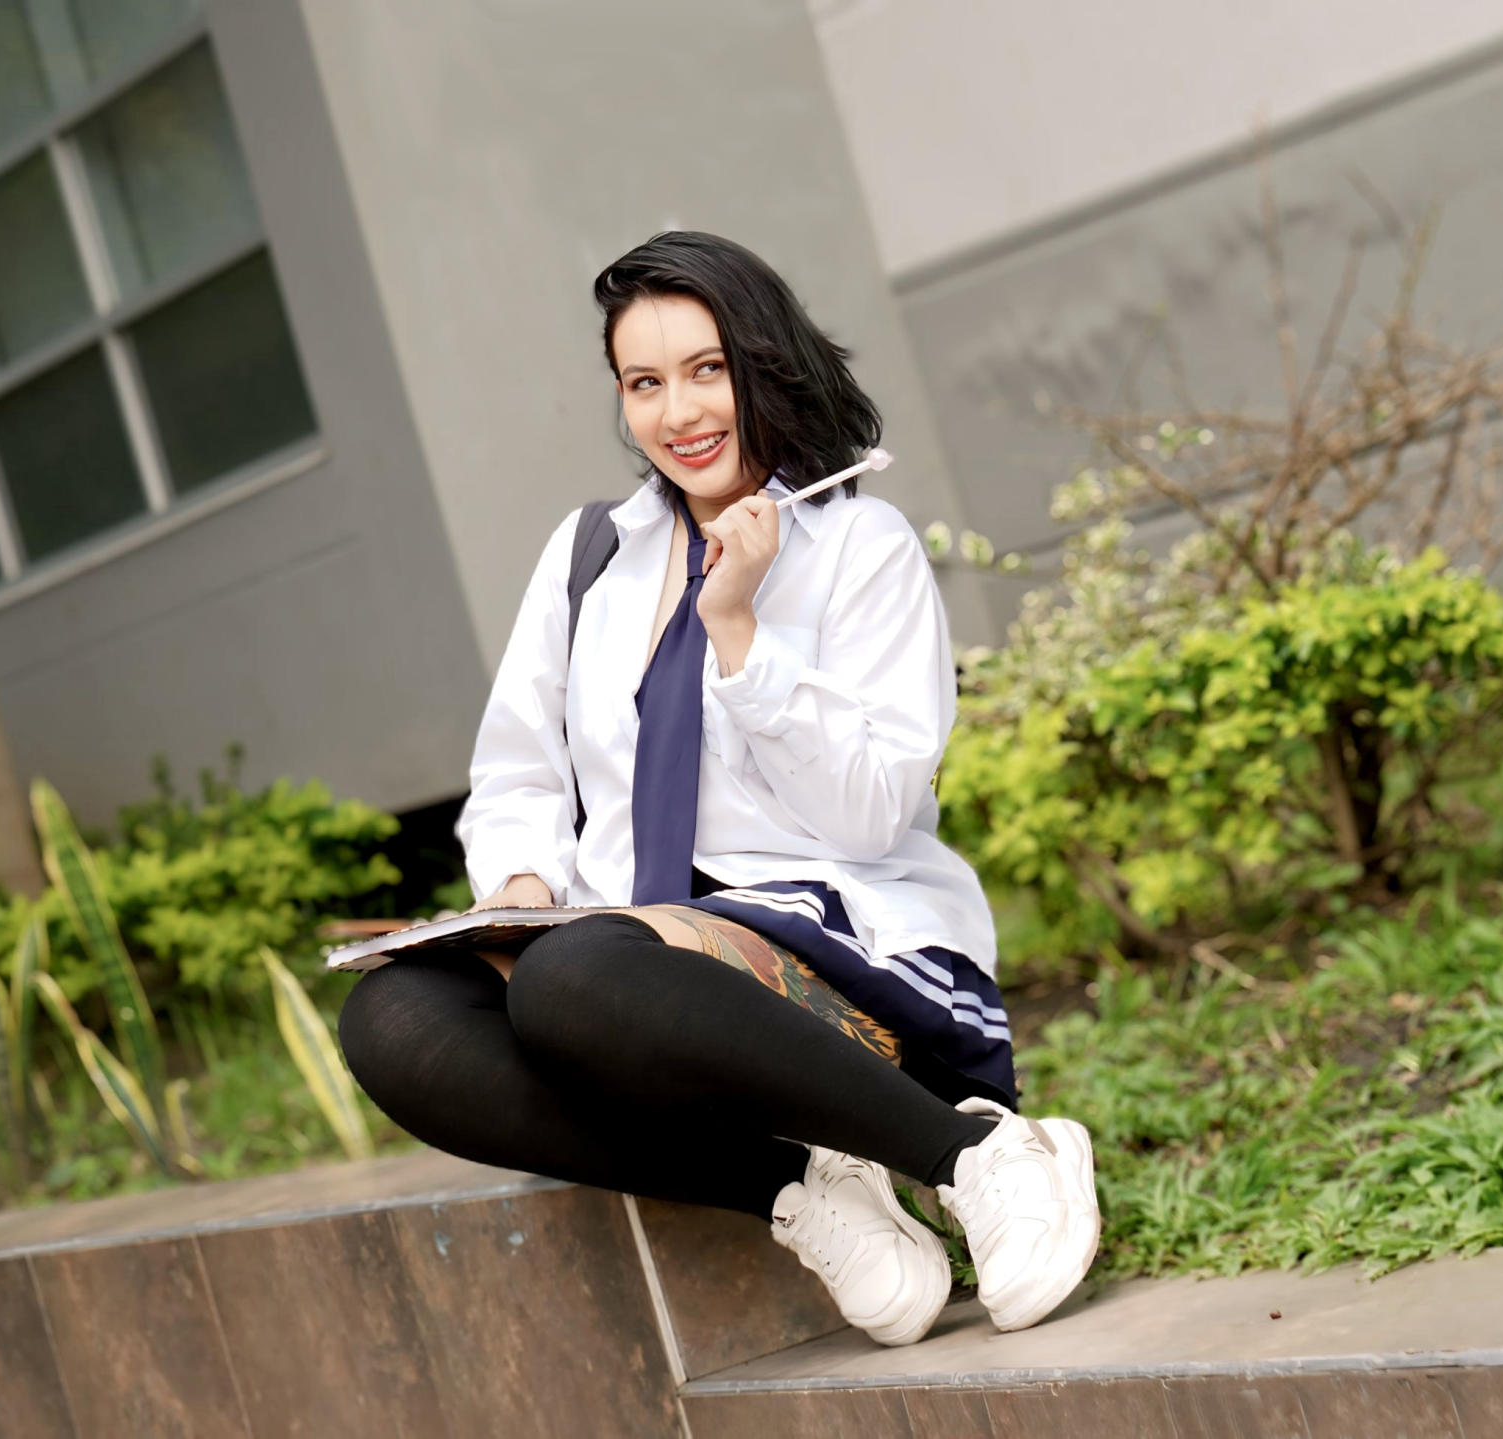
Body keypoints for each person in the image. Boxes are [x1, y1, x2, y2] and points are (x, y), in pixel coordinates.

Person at [336, 232, 1100, 1347]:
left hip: (833, 940)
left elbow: (869, 815)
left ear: (763, 363)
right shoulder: (594, 551)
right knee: (394, 1020)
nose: (679, 412)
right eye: (644, 382)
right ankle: (801, 1188)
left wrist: (739, 628)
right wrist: (521, 884)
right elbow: (520, 767)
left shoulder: (861, 545)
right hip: (620, 959)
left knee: (573, 977)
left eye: (706, 369)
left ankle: (978, 1155)